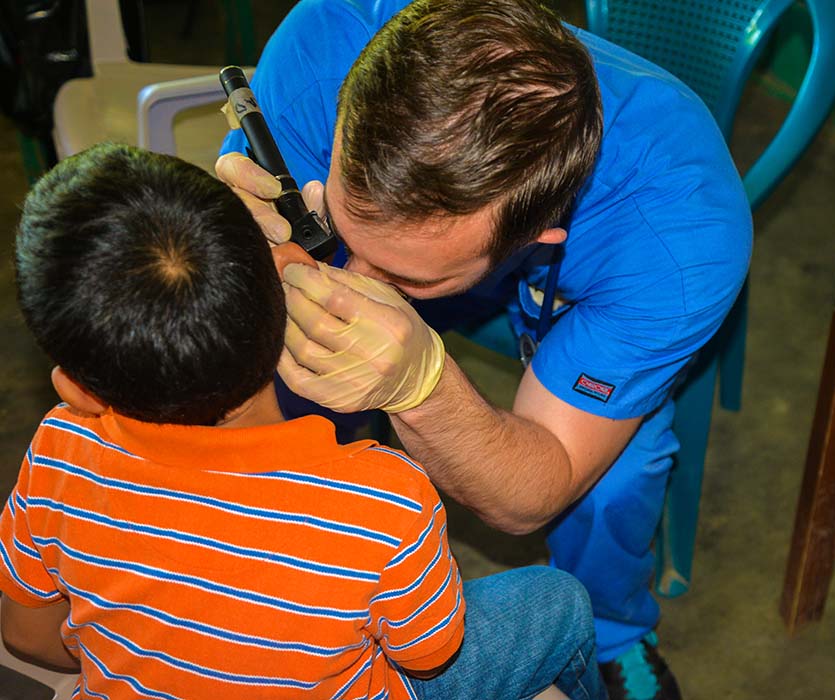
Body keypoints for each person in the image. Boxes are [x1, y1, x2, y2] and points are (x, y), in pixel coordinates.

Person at [218, 1, 754, 698]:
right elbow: (244, 250)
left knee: (619, 475)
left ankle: (616, 632)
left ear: (539, 238)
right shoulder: (325, 40)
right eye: (351, 231)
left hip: (583, 295)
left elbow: (536, 487)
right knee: (266, 382)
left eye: (404, 278)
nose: (359, 292)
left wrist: (422, 386)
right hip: (482, 263)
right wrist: (253, 243)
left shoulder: (680, 234)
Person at [0, 142, 606, 700]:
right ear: (282, 300)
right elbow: (428, 654)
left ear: (75, 387)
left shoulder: (59, 448)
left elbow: (27, 637)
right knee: (559, 600)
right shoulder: (386, 497)